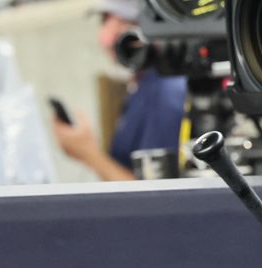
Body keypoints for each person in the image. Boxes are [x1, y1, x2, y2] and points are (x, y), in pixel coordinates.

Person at [52, 0, 186, 181]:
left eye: (123, 24)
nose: (106, 38)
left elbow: (154, 198)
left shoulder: (165, 91)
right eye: (105, 21)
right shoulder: (142, 85)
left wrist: (88, 153)